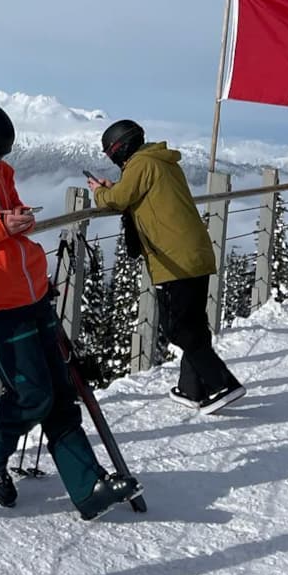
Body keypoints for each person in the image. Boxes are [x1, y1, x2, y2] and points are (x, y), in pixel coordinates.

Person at [0, 98, 139, 520]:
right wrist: (0, 225)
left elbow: (7, 213)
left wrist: (19, 219)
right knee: (33, 394)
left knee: (60, 391)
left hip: (33, 286)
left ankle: (88, 489)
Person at [87, 119, 243, 414]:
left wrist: (99, 191)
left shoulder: (141, 163)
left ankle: (222, 384)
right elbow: (135, 192)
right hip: (195, 253)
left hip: (174, 260)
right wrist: (116, 186)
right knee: (194, 322)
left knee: (178, 329)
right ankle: (191, 388)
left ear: (119, 149)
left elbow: (119, 200)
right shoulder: (160, 161)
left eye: (111, 154)